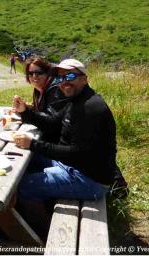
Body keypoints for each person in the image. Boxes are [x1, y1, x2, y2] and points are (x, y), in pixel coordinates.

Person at [12, 59, 118, 238]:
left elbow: (76, 154)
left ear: (84, 78)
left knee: (23, 186)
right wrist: (25, 112)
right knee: (24, 158)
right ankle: (42, 205)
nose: (64, 81)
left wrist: (33, 144)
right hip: (74, 166)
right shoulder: (75, 100)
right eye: (60, 78)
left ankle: (46, 236)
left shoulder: (90, 108)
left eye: (70, 76)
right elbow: (52, 122)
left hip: (89, 179)